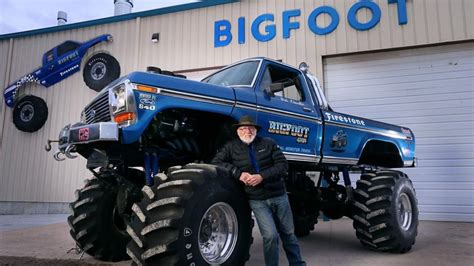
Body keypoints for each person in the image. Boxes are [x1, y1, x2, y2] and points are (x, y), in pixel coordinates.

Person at [212, 115, 306, 266]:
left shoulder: (268, 143)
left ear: (255, 130)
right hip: (257, 200)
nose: (247, 131)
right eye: (243, 129)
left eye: (250, 128)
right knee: (270, 236)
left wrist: (262, 176)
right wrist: (239, 174)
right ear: (238, 131)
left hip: (279, 196)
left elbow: (282, 165)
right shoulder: (231, 147)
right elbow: (216, 162)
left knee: (289, 234)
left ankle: (297, 264)